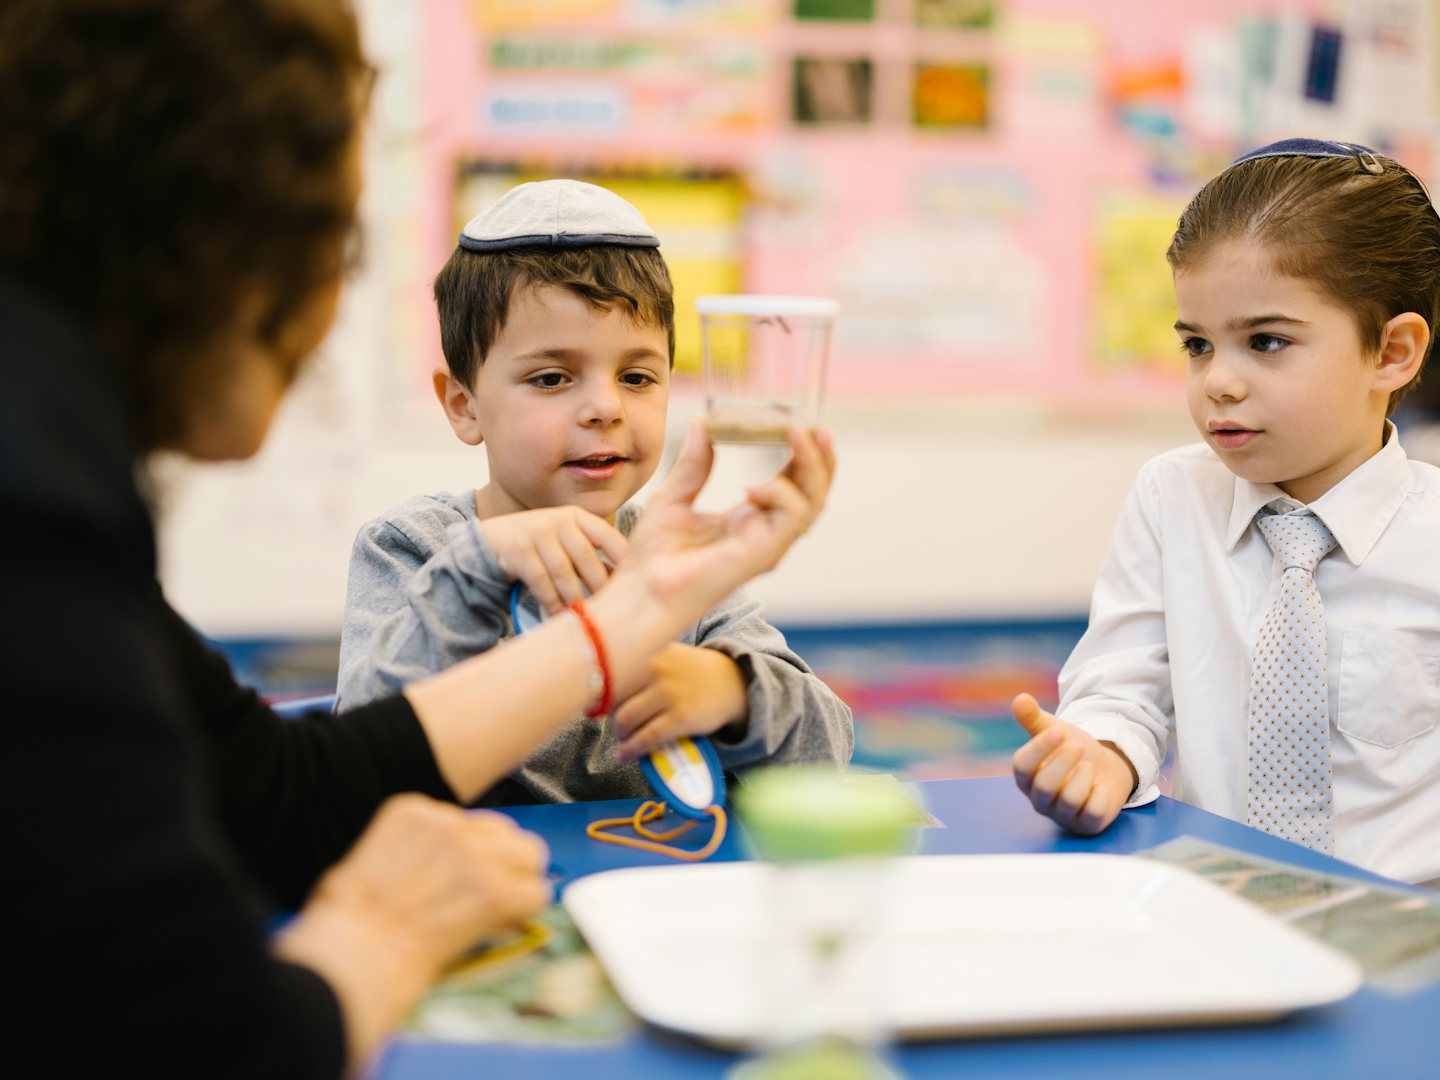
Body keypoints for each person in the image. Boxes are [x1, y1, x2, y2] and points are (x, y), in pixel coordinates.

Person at [0, 2, 835, 1077]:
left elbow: (272, 793)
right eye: (334, 238)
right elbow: (197, 1033)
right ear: (222, 245)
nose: (605, 408)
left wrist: (671, 630)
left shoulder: (51, 473)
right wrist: (386, 932)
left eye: (638, 375)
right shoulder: (40, 511)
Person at [1008, 138, 1440, 886]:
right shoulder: (1172, 496)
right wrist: (1103, 751)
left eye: (1266, 342)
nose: (1219, 382)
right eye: (1199, 345)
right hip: (1221, 906)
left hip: (1411, 930)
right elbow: (1124, 684)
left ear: (1392, 353)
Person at [336, 179, 852, 802]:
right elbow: (352, 759)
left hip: (651, 883)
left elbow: (828, 753)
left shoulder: (672, 557)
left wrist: (732, 691)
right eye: (552, 378)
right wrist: (478, 567)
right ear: (464, 404)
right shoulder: (413, 547)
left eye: (637, 377)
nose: (605, 407)